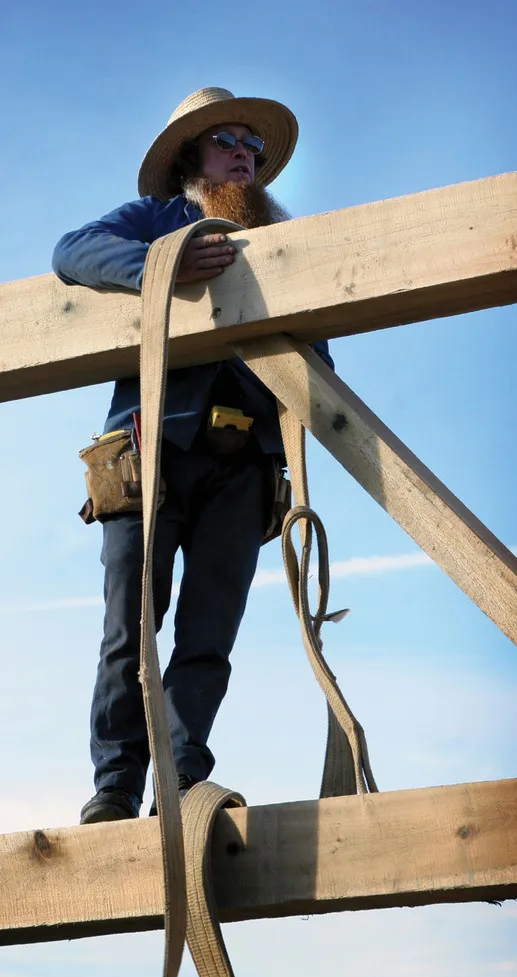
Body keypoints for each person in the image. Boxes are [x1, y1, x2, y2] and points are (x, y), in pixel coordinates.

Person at [53, 87, 334, 824]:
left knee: (208, 639)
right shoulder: (160, 220)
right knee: (129, 630)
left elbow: (320, 358)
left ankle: (177, 786)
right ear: (191, 159)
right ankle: (114, 788)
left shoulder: (280, 239)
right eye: (228, 142)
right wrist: (163, 266)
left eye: (254, 146)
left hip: (243, 466)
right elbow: (71, 252)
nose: (245, 153)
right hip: (152, 454)